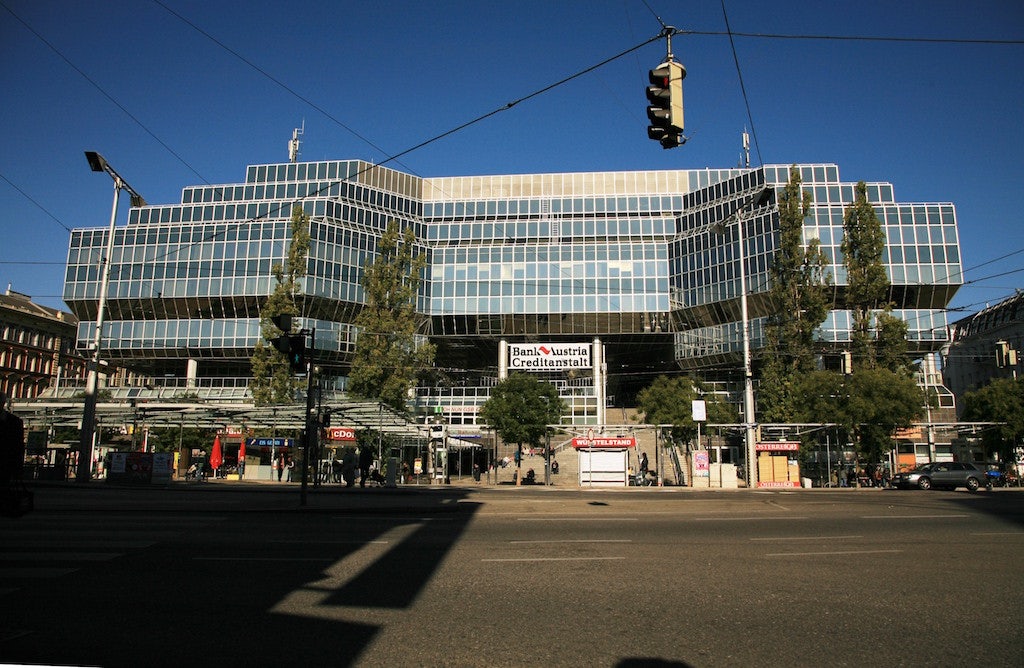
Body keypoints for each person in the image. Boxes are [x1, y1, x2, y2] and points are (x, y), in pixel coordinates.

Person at [1, 391, 26, 486]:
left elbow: (18, 446)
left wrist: (18, 468)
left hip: (4, 464)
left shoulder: (14, 422)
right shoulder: (15, 422)